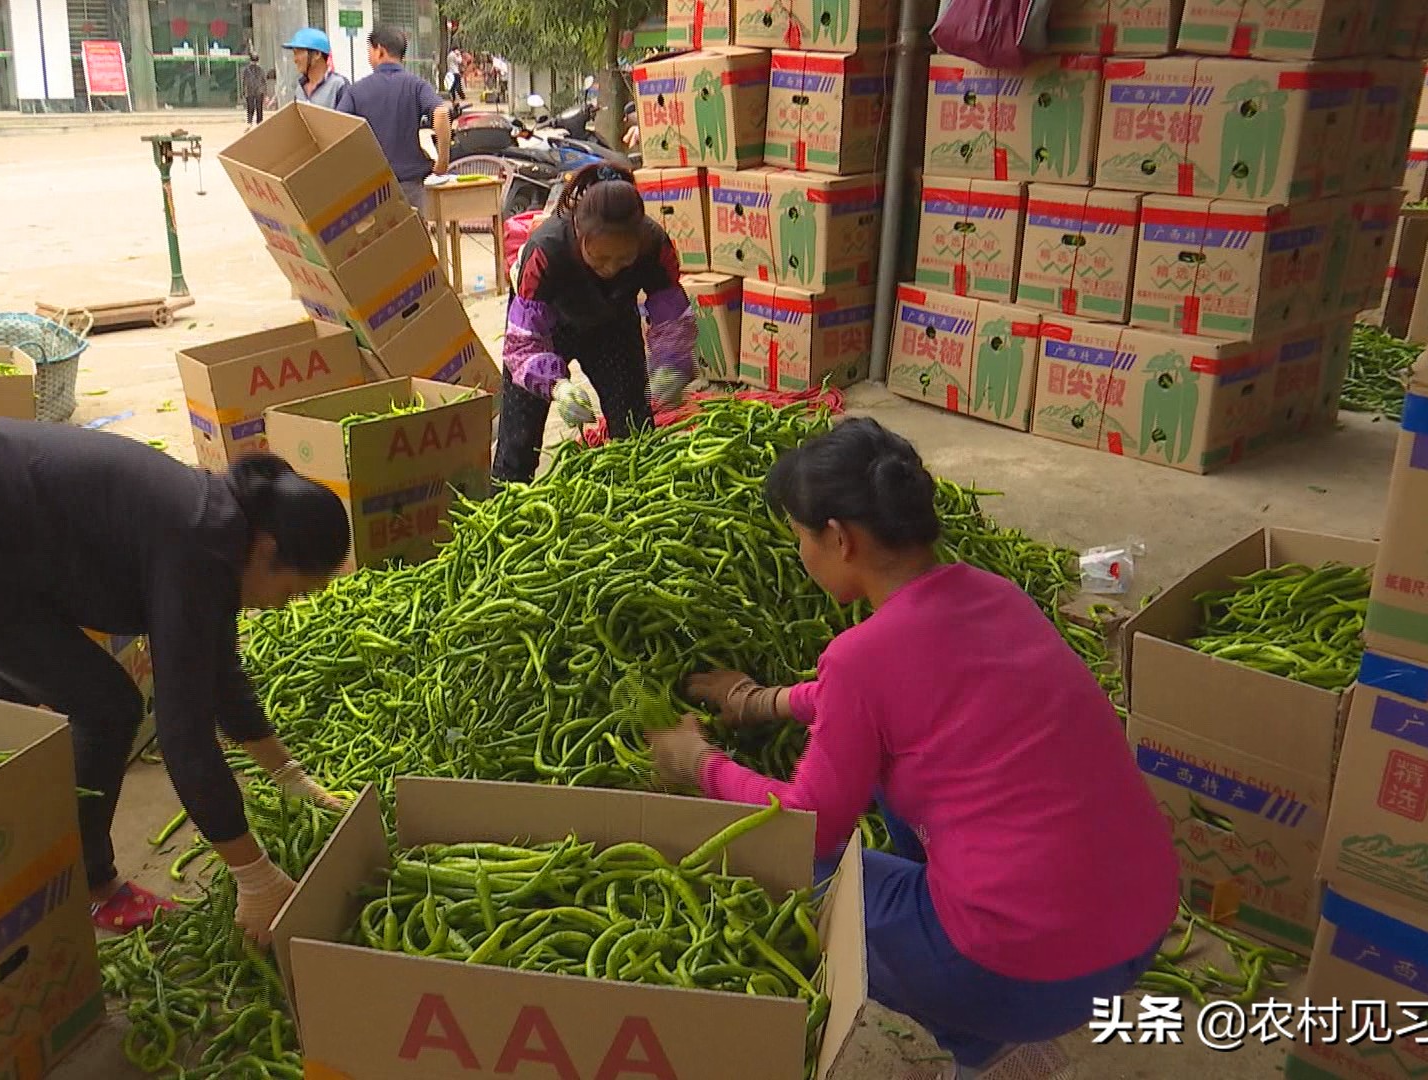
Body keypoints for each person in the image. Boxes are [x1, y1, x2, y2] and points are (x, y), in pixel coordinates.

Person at [646, 418, 1179, 1080]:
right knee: (890, 770)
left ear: (839, 539)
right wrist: (765, 700)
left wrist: (698, 761)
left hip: (1030, 964)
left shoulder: (861, 659)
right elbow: (887, 691)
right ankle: (988, 1047)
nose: (801, 555)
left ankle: (990, 1020)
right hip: (1140, 921)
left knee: (779, 868)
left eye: (801, 538)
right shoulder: (996, 596)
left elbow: (804, 824)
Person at [0, 415, 351, 936]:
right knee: (106, 707)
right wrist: (255, 876)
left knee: (18, 699)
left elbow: (217, 670)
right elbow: (184, 734)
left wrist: (289, 777)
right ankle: (93, 887)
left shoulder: (225, 530)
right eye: (293, 592)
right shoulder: (199, 546)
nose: (282, 607)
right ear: (270, 549)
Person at [492, 164, 695, 485]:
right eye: (599, 259)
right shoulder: (545, 252)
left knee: (634, 431)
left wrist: (671, 362)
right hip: (546, 331)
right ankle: (505, 506)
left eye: (623, 259)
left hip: (612, 325)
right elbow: (523, 342)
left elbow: (671, 312)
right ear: (579, 234)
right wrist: (557, 386)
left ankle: (637, 505)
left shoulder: (655, 246)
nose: (611, 269)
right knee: (518, 441)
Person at [338, 25, 450, 218]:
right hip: (410, 188)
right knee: (413, 244)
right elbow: (441, 113)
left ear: (380, 50)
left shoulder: (356, 91)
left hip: (369, 190)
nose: (369, 57)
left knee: (376, 246)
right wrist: (442, 161)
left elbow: (337, 128)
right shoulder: (417, 86)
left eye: (370, 51)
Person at [282, 28, 348, 111]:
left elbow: (348, 121)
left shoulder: (338, 85)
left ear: (317, 54)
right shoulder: (299, 88)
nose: (295, 60)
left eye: (298, 53)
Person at [239, 53, 267, 125]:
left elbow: (263, 81)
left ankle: (259, 122)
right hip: (251, 90)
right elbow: (244, 81)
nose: (254, 63)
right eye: (253, 61)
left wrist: (264, 91)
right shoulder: (247, 70)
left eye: (255, 61)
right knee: (250, 107)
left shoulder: (260, 69)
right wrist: (244, 91)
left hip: (258, 91)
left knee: (259, 108)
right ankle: (250, 121)